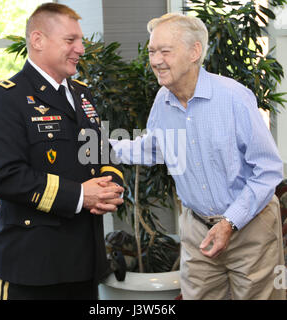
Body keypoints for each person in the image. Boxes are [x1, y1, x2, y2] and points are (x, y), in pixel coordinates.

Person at [110, 13, 286, 300]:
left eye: (165, 51)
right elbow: (155, 147)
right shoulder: (162, 100)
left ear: (195, 52)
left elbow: (267, 170)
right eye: (153, 51)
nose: (155, 60)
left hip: (250, 227)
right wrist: (103, 147)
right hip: (197, 230)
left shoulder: (234, 98)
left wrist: (229, 223)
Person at [0, 3, 124, 300]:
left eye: (81, 40)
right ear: (38, 41)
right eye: (71, 40)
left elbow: (101, 151)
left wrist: (110, 187)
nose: (81, 49)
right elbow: (6, 177)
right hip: (31, 266)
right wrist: (82, 196)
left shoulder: (82, 93)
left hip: (84, 262)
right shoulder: (6, 97)